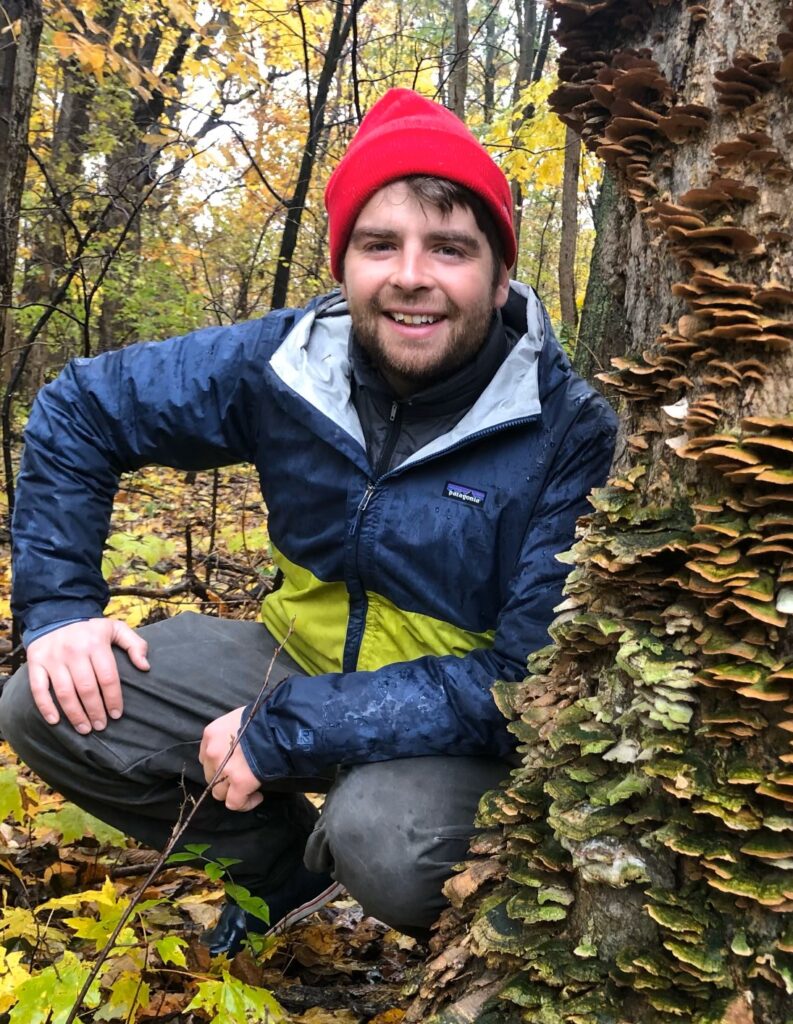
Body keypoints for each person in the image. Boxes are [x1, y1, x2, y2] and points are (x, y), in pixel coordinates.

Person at [0, 88, 616, 952]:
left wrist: (292, 730)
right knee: (48, 702)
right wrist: (59, 606)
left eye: (449, 248)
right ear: (343, 263)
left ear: (500, 271)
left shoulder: (568, 430)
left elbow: (523, 681)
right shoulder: (285, 362)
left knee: (386, 841)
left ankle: (460, 948)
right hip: (291, 655)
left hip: (458, 732)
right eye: (379, 245)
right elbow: (81, 408)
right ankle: (279, 875)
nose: (411, 275)